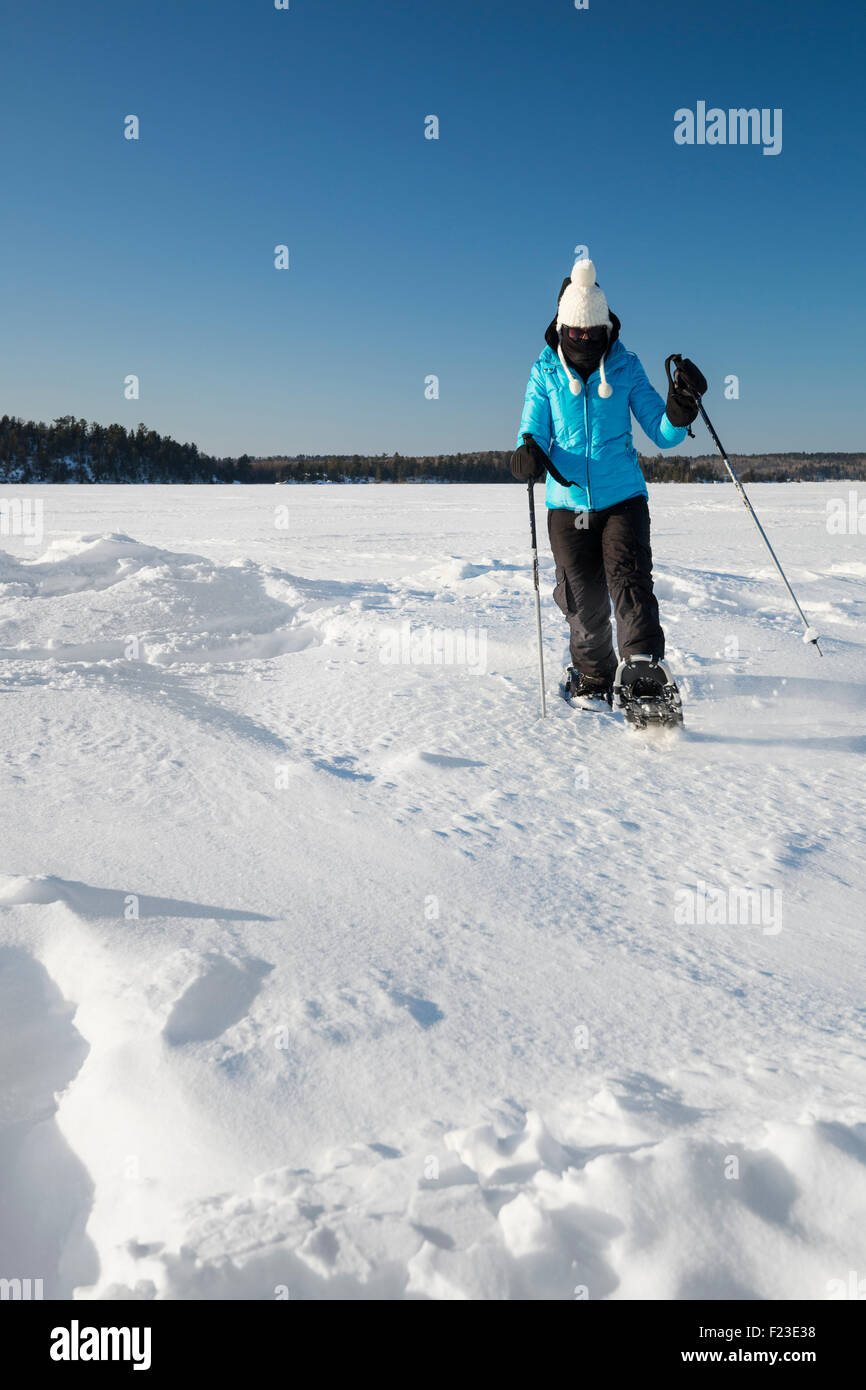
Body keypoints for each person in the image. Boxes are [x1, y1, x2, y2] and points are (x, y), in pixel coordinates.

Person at [511, 258, 706, 708]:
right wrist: (528, 455)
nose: (582, 339)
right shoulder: (544, 371)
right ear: (562, 327)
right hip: (569, 504)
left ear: (605, 326)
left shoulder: (626, 366)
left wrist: (680, 409)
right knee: (584, 599)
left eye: (590, 331)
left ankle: (643, 671)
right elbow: (533, 432)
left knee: (631, 582)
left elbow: (662, 431)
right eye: (574, 331)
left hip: (623, 499)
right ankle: (594, 676)